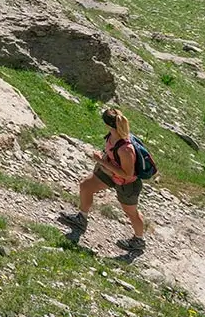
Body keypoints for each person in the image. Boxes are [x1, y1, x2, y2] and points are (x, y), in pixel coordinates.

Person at [60, 105, 147, 253]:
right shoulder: (112, 135)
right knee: (86, 186)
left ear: (108, 124)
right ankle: (81, 218)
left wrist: (101, 162)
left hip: (127, 184)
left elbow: (127, 174)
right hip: (109, 173)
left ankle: (139, 241)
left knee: (131, 212)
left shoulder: (126, 149)